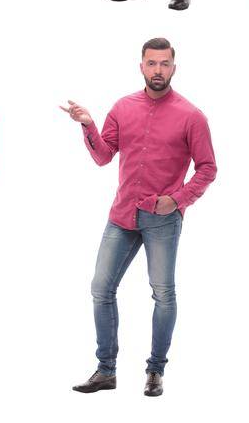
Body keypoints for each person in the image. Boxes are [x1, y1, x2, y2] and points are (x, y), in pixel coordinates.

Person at [60, 37, 217, 398]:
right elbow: (103, 156)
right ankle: (106, 370)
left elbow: (207, 168)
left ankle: (155, 371)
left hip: (162, 218)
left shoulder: (191, 116)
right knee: (101, 288)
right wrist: (87, 125)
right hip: (122, 215)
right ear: (141, 66)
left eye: (164, 64)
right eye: (151, 63)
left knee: (163, 293)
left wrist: (177, 201)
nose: (158, 70)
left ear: (173, 68)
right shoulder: (123, 107)